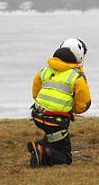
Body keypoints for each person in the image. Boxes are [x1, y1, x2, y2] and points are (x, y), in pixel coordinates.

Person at [27, 38, 91, 167]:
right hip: (56, 120)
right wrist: (71, 108)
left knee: (53, 137)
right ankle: (42, 150)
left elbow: (35, 92)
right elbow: (83, 104)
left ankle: (42, 147)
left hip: (37, 114)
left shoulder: (44, 71)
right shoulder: (76, 77)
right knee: (65, 158)